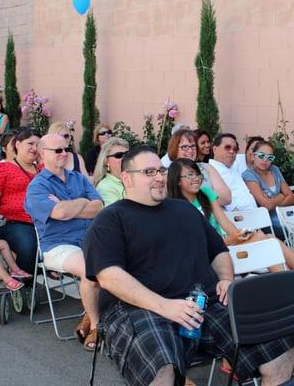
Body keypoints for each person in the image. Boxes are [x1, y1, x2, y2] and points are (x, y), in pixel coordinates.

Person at [84, 146, 294, 386]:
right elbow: (109, 276)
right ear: (126, 178)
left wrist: (226, 279)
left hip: (204, 303)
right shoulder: (111, 219)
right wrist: (164, 306)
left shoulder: (185, 210)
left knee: (279, 344)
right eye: (149, 172)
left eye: (161, 170)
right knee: (161, 368)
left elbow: (218, 252)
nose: (160, 177)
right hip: (139, 309)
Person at [25, 133, 103, 351]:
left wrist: (69, 206)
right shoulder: (37, 187)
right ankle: (97, 326)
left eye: (66, 149)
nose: (64, 153)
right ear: (42, 154)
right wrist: (81, 203)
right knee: (91, 270)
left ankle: (88, 317)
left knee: (119, 263)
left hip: (88, 240)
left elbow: (99, 207)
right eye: (57, 150)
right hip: (58, 246)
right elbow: (59, 214)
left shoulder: (78, 178)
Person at [167, 158, 294, 270]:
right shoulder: (177, 207)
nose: (196, 178)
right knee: (264, 242)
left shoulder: (205, 193)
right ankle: (287, 282)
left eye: (197, 174)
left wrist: (239, 235)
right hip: (214, 255)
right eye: (190, 175)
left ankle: (287, 280)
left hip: (228, 245)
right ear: (177, 180)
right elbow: (196, 244)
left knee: (270, 238)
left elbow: (224, 222)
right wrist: (228, 240)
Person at [0, 128, 41, 273]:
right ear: (18, 144)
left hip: (43, 221)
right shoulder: (3, 168)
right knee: (28, 245)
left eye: (37, 145)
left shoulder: (43, 169)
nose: (35, 148)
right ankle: (23, 285)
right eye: (30, 144)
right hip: (15, 222)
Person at [243, 140, 294, 239]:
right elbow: (265, 206)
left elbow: (291, 197)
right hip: (269, 221)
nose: (265, 160)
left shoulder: (274, 169)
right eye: (261, 156)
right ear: (253, 156)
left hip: (288, 214)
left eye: (270, 157)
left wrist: (272, 202)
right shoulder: (249, 175)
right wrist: (281, 196)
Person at [167, 129, 231, 206]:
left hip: (215, 214)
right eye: (184, 147)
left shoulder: (206, 167)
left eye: (193, 146)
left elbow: (227, 197)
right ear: (174, 149)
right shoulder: (168, 173)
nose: (190, 150)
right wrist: (211, 195)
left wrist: (197, 193)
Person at [209, 133, 258, 212]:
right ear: (214, 149)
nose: (232, 151)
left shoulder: (233, 168)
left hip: (255, 214)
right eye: (227, 147)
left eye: (235, 149)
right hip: (238, 218)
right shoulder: (209, 169)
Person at [93, 137, 129, 206]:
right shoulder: (105, 187)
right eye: (119, 155)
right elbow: (116, 215)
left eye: (127, 154)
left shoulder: (135, 178)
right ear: (106, 161)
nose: (124, 158)